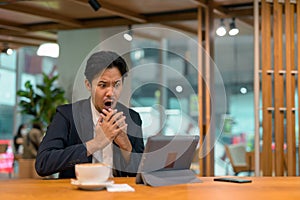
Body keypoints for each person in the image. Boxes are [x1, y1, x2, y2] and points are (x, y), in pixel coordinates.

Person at [35, 51, 144, 178]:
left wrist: (126, 145)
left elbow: (142, 173)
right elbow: (43, 163)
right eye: (103, 85)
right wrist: (96, 143)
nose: (111, 92)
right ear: (88, 85)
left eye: (117, 85)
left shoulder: (132, 118)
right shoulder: (67, 115)